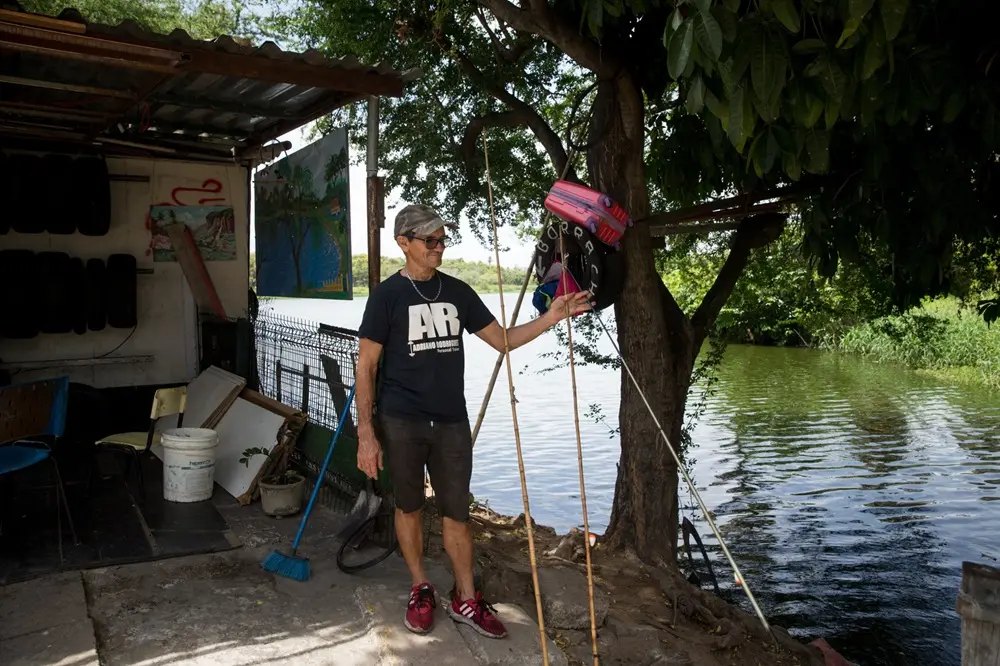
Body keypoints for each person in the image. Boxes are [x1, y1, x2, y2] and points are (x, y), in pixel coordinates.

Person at [356, 203, 591, 638]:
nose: (439, 247)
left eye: (443, 239)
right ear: (403, 243)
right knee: (408, 507)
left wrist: (551, 317)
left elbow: (502, 340)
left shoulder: (458, 291)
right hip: (401, 421)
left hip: (450, 423)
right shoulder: (386, 297)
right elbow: (366, 367)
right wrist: (366, 433)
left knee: (457, 514)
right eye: (430, 240)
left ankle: (466, 598)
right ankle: (420, 587)